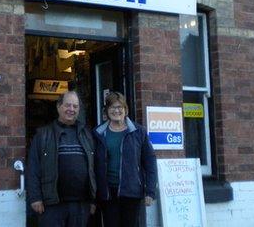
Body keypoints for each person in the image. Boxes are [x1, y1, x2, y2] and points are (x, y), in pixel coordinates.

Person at [26, 90, 97, 227]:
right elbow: (33, 168)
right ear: (59, 107)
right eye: (68, 105)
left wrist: (93, 200)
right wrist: (35, 198)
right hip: (52, 205)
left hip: (81, 204)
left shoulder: (87, 134)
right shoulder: (43, 135)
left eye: (75, 106)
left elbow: (94, 169)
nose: (71, 109)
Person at [93, 91, 157, 227]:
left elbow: (150, 162)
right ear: (107, 111)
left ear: (125, 109)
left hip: (131, 192)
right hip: (107, 192)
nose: (116, 111)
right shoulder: (98, 133)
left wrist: (150, 191)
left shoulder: (138, 132)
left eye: (119, 107)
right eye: (112, 107)